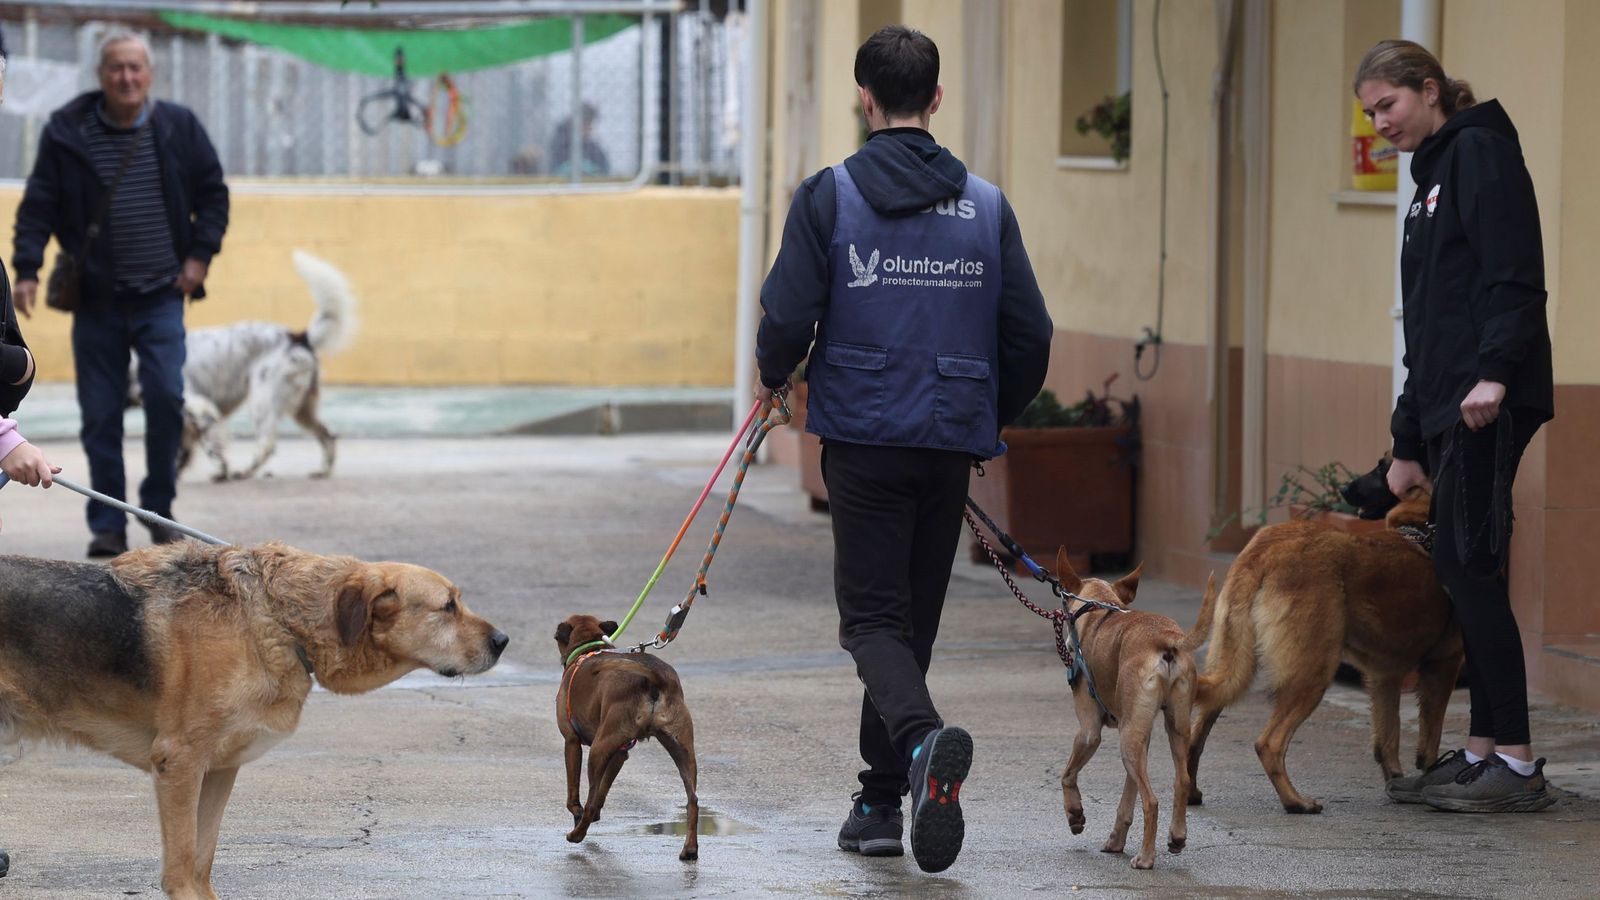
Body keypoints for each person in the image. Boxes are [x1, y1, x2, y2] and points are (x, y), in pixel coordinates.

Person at [754, 26, 1052, 872]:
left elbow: (787, 315)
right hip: (950, 437)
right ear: (936, 99)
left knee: (873, 622)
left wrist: (775, 376)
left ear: (864, 98)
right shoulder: (987, 206)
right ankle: (879, 803)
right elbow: (1031, 332)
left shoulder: (830, 195)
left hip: (863, 433)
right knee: (908, 625)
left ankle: (918, 750)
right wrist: (987, 409)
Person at [1356, 40, 1555, 813]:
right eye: (1371, 114)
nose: (1380, 125)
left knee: (1471, 570)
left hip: (1487, 396)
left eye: (1388, 106)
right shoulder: (1431, 176)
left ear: (1430, 89)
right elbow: (1427, 324)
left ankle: (1517, 762)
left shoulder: (1481, 155)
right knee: (1463, 570)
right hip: (1451, 398)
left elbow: (1516, 274)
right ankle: (1480, 752)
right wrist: (1408, 443)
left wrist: (1497, 373)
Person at [12, 31, 228, 558]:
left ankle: (158, 509)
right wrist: (27, 268)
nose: (126, 78)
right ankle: (109, 523)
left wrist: (199, 257)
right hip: (97, 300)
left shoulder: (178, 126)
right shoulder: (67, 130)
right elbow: (39, 202)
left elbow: (213, 193)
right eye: (116, 68)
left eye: (135, 67)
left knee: (165, 397)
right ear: (101, 74)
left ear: (149, 73)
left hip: (160, 295)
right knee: (101, 413)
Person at [548, 102, 610, 178]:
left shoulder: (594, 149)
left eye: (589, 124)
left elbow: (604, 171)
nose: (589, 128)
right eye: (585, 124)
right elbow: (553, 169)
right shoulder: (559, 143)